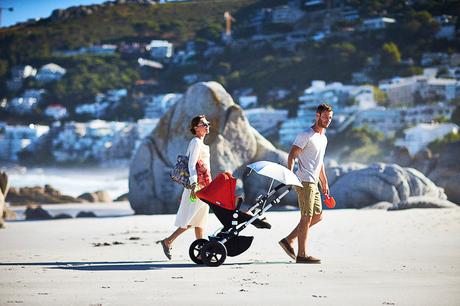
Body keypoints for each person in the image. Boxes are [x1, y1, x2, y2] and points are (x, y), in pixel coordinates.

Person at [279, 104, 333, 264]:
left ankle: (289, 240)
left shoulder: (323, 138)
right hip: (304, 180)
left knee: (318, 215)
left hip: (314, 181)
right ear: (317, 116)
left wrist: (324, 182)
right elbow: (292, 155)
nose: (327, 120)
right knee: (306, 217)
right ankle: (302, 255)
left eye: (330, 117)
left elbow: (320, 162)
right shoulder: (306, 135)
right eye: (325, 117)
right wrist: (289, 176)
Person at [158, 115, 212, 260]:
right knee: (191, 218)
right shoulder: (195, 142)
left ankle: (200, 251)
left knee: (200, 221)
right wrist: (194, 184)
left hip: (204, 185)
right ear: (195, 128)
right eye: (203, 124)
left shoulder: (202, 144)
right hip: (197, 186)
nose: (207, 125)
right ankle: (168, 241)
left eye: (207, 123)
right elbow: (191, 164)